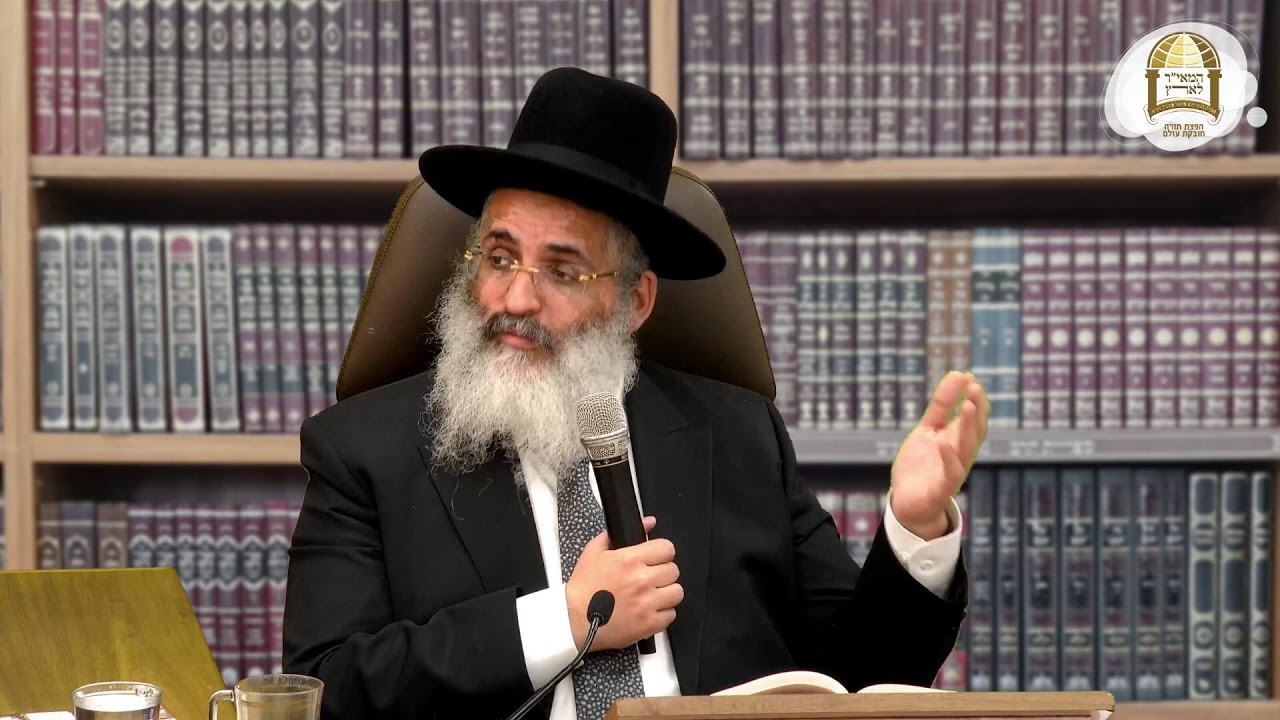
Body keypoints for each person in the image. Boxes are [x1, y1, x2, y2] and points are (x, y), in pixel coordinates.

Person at [282, 67, 988, 720]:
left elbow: (860, 680)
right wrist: (566, 619)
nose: (515, 298)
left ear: (635, 302)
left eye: (562, 271)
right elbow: (323, 688)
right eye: (498, 258)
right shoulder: (364, 452)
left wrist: (915, 527)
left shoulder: (741, 437)